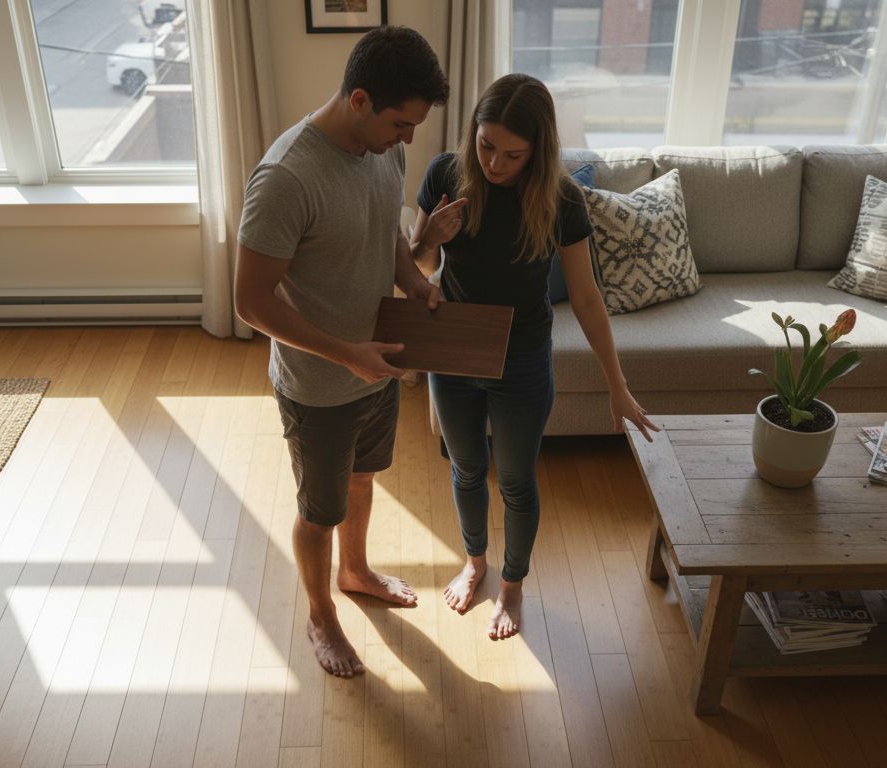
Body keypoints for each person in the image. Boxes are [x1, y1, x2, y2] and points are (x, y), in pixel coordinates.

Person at [411, 73, 660, 641]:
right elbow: (417, 268)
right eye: (486, 146)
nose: (494, 163)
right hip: (455, 348)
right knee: (466, 467)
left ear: (538, 149)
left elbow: (587, 297)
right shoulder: (445, 175)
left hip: (521, 357)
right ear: (473, 132)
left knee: (517, 480)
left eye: (512, 154)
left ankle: (513, 585)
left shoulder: (562, 199)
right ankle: (475, 562)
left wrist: (617, 385)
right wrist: (430, 240)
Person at [234, 26, 448, 678]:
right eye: (400, 123)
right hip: (319, 386)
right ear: (359, 100)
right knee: (318, 511)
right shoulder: (286, 178)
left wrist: (414, 281)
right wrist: (347, 354)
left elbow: (386, 228)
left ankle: (355, 572)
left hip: (376, 365)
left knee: (362, 479)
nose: (407, 138)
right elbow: (250, 302)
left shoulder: (384, 150)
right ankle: (321, 614)